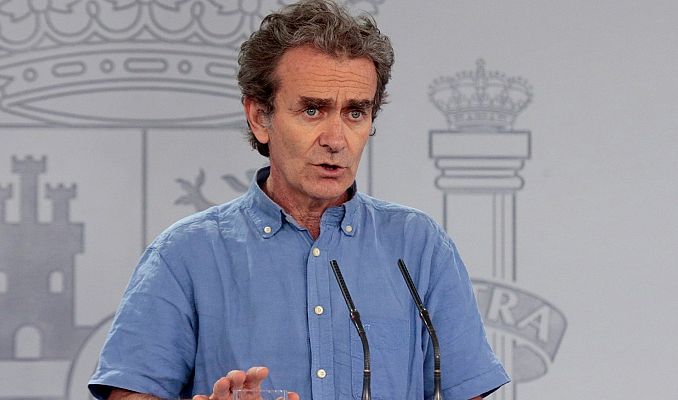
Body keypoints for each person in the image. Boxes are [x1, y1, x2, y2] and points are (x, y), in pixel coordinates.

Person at [88, 1, 510, 399]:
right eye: (312, 110)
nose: (336, 139)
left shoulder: (419, 245)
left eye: (355, 112)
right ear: (260, 117)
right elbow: (130, 391)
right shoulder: (184, 253)